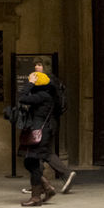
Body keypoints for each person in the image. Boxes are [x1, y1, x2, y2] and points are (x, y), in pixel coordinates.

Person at [32, 61, 75, 194]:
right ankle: (39, 183)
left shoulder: (44, 84)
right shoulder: (54, 83)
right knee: (44, 151)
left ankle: (61, 175)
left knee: (37, 152)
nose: (36, 67)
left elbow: (32, 101)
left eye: (39, 64)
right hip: (51, 122)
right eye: (35, 65)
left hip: (43, 124)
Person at [16, 70, 58, 206]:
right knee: (29, 162)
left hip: (39, 133)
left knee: (33, 163)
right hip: (41, 132)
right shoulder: (47, 95)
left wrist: (29, 84)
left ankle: (36, 197)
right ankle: (47, 187)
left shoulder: (42, 96)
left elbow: (21, 98)